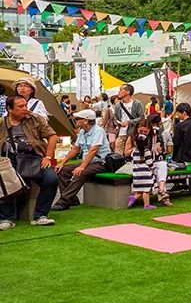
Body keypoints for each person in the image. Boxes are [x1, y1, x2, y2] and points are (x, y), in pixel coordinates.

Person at [0, 94, 60, 229]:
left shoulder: (35, 119)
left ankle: (41, 215)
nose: (25, 109)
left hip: (35, 157)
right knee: (3, 178)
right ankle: (6, 217)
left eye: (25, 105)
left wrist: (48, 157)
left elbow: (52, 136)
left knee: (51, 178)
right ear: (10, 109)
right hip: (9, 159)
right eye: (20, 106)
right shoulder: (2, 123)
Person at [52, 109, 111, 211]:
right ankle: (72, 199)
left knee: (80, 172)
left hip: (101, 163)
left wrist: (82, 166)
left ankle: (63, 202)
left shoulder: (98, 131)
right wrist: (62, 163)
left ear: (86, 121)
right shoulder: (82, 132)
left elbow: (93, 150)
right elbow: (75, 149)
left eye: (78, 119)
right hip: (89, 162)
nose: (75, 121)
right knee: (62, 170)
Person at [126, 118, 158, 210]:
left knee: (140, 189)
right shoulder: (146, 151)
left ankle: (134, 197)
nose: (143, 133)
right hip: (145, 173)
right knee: (146, 190)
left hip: (136, 171)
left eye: (145, 131)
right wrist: (153, 167)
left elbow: (133, 158)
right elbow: (149, 162)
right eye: (141, 131)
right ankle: (146, 204)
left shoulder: (134, 152)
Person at [113, 84, 144, 155]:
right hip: (121, 132)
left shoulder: (137, 103)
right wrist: (118, 123)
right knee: (118, 154)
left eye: (121, 90)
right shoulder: (118, 105)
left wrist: (129, 122)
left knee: (131, 153)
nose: (119, 92)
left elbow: (142, 118)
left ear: (128, 92)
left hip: (133, 132)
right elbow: (115, 117)